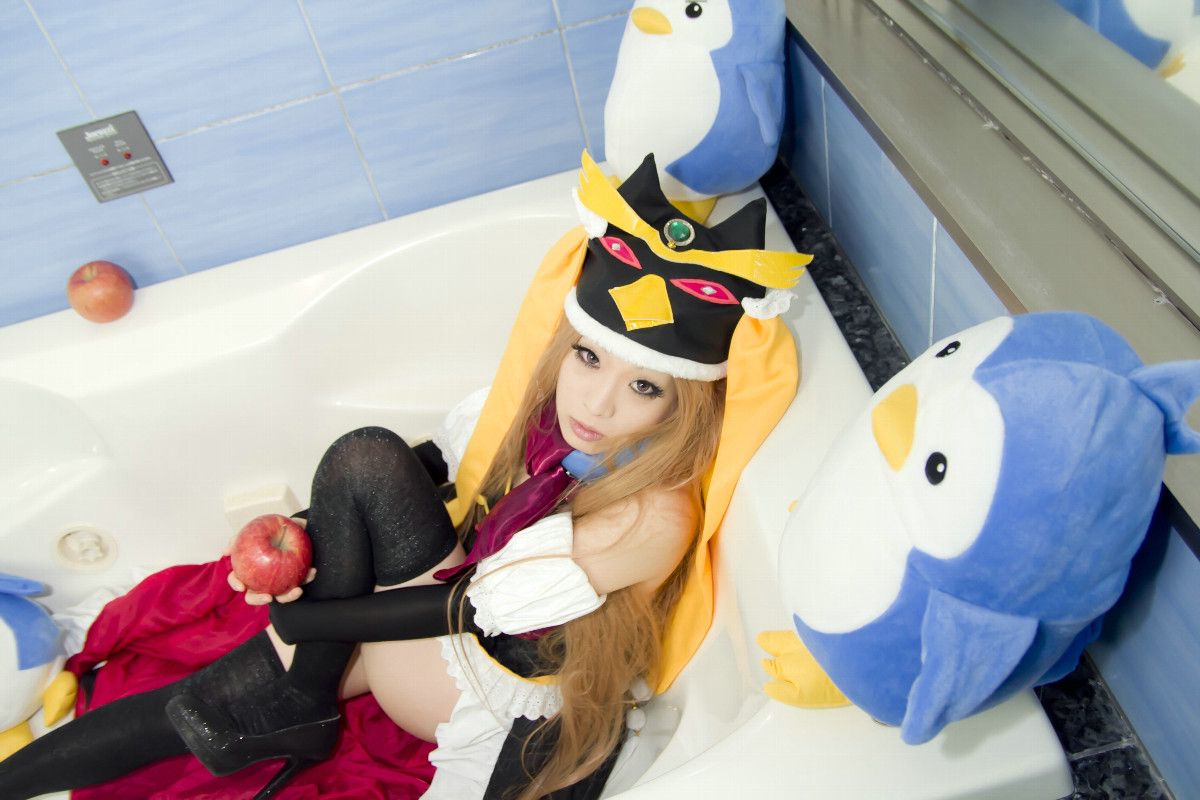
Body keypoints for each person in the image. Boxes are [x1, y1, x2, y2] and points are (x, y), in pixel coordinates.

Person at [0, 152, 809, 800]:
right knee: (210, 697)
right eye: (589, 359)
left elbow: (471, 607)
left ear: (685, 404)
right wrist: (316, 540)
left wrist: (308, 620)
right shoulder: (551, 420)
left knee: (350, 497)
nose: (595, 403)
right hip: (442, 632)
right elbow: (448, 465)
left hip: (489, 689)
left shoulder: (654, 515)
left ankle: (298, 696)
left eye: (644, 387)